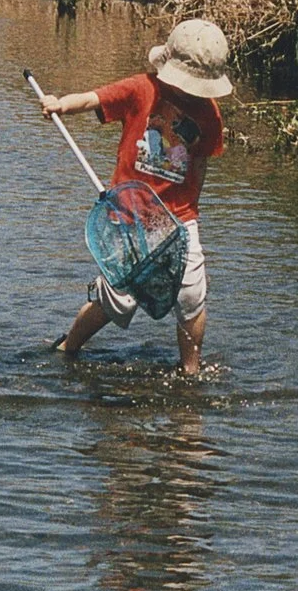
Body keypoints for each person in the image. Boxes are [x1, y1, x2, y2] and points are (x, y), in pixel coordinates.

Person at [35, 19, 233, 375]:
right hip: (130, 213)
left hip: (178, 219)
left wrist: (190, 212)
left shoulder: (209, 115)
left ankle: (191, 371)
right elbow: (96, 98)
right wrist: (61, 105)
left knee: (191, 295)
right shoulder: (143, 89)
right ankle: (68, 347)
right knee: (120, 300)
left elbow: (199, 165)